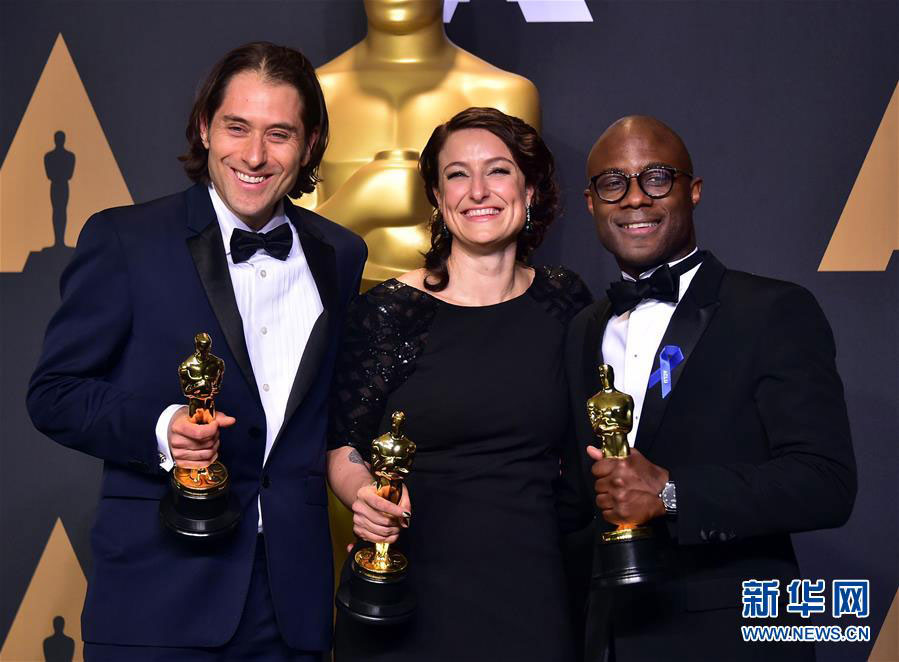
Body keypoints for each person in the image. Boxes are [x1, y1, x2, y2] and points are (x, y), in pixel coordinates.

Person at [27, 42, 366, 661]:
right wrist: (164, 429)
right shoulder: (125, 240)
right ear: (206, 127)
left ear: (311, 144)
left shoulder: (340, 253)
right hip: (159, 596)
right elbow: (54, 393)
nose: (255, 156)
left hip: (291, 608)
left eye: (280, 134)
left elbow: (327, 417)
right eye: (237, 127)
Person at [560, 115, 857, 661]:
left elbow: (826, 483)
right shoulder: (584, 328)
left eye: (656, 178)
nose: (633, 199)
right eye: (612, 183)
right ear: (590, 203)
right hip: (611, 636)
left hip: (734, 638)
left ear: (692, 191)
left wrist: (672, 493)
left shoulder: (773, 311)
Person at [326, 106, 592, 661]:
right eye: (456, 174)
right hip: (409, 588)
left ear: (531, 189)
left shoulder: (565, 301)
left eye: (497, 170)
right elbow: (342, 444)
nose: (477, 191)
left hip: (534, 588)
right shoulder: (390, 312)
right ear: (438, 198)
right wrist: (364, 495)